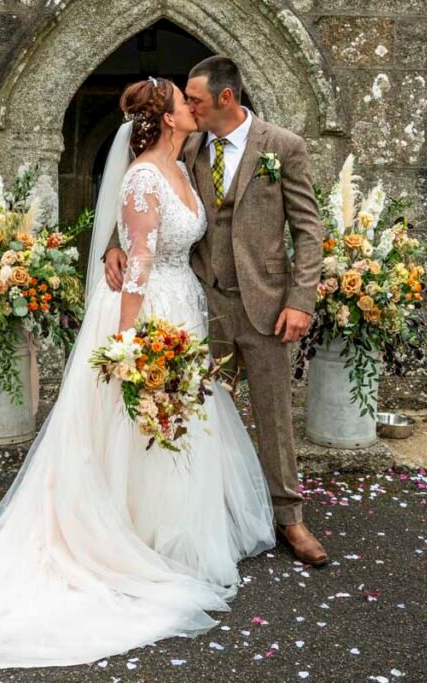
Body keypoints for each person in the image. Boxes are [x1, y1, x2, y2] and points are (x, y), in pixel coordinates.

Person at [0, 76, 276, 669]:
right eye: (183, 101)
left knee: (179, 418)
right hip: (144, 310)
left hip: (184, 304)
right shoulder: (145, 175)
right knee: (139, 418)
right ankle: (133, 538)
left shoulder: (189, 159)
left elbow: (162, 241)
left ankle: (171, 531)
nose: (192, 106)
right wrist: (128, 344)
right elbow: (141, 256)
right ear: (167, 118)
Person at [106, 55, 327, 565]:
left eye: (197, 99)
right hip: (200, 304)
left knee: (274, 415)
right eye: (186, 101)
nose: (191, 106)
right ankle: (214, 514)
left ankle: (291, 520)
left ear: (226, 98)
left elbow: (308, 231)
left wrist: (301, 300)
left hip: (269, 306)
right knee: (201, 418)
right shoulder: (187, 146)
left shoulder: (282, 147)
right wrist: (112, 247)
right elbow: (145, 207)